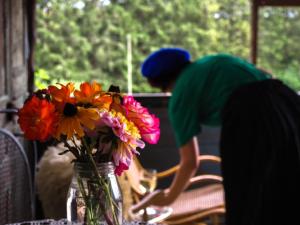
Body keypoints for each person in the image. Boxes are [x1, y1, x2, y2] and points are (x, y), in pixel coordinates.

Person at [132, 47, 300, 225]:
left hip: (251, 117)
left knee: (248, 197)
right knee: (290, 184)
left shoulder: (181, 94)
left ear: (157, 83)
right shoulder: (213, 61)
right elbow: (265, 75)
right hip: (289, 105)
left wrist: (168, 198)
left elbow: (190, 162)